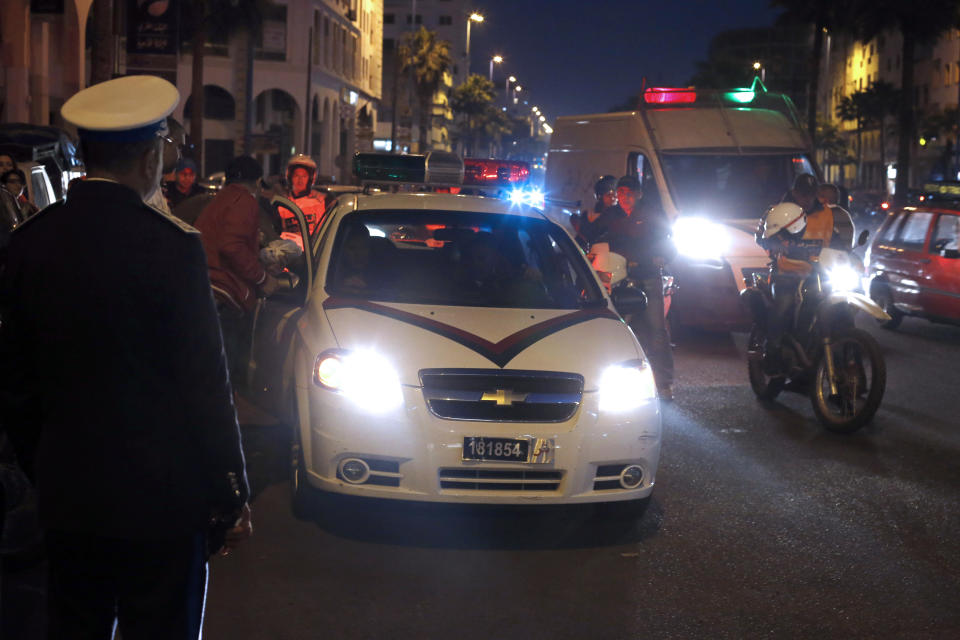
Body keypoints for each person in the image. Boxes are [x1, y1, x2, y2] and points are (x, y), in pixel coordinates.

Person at [0, 75, 251, 639]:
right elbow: (204, 383)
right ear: (148, 155)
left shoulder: (32, 240)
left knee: (75, 624)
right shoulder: (172, 246)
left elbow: (15, 382)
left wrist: (48, 466)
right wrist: (231, 491)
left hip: (69, 497)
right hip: (162, 502)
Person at [194, 155, 280, 386]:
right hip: (226, 295)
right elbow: (232, 246)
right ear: (257, 182)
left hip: (206, 290)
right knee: (228, 376)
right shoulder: (245, 201)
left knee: (209, 375)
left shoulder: (220, 200)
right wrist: (263, 278)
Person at [599, 175, 677, 400]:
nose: (624, 197)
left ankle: (664, 384)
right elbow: (591, 233)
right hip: (617, 279)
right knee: (615, 329)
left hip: (648, 278)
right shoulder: (611, 214)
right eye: (621, 192)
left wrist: (661, 257)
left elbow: (669, 242)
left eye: (629, 193)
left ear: (639, 194)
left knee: (657, 330)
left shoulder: (652, 213)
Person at [278, 154, 325, 249]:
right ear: (290, 177)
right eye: (296, 176)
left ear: (311, 178)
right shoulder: (282, 203)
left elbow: (323, 232)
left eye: (304, 176)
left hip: (312, 251)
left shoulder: (320, 202)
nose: (300, 180)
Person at [145, 117, 187, 215]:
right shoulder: (146, 191)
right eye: (178, 147)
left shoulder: (154, 187)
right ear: (162, 143)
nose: (180, 156)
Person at [574, 175, 617, 249]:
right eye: (608, 195)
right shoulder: (588, 216)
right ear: (600, 196)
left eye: (615, 195)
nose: (613, 198)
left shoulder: (618, 217)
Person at [816, 183, 857, 250]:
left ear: (824, 199)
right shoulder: (845, 214)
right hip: (840, 256)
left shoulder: (822, 214)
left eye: (818, 196)